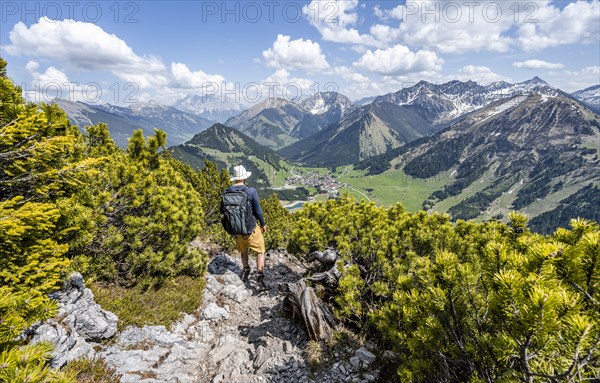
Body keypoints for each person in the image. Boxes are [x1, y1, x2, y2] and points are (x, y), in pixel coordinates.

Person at [227, 165, 268, 288]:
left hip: (237, 230)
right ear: (244, 177)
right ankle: (260, 275)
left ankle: (245, 270)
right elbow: (258, 211)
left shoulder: (227, 191)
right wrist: (263, 224)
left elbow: (224, 213)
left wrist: (230, 228)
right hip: (251, 228)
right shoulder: (251, 191)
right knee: (260, 251)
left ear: (234, 178)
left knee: (243, 250)